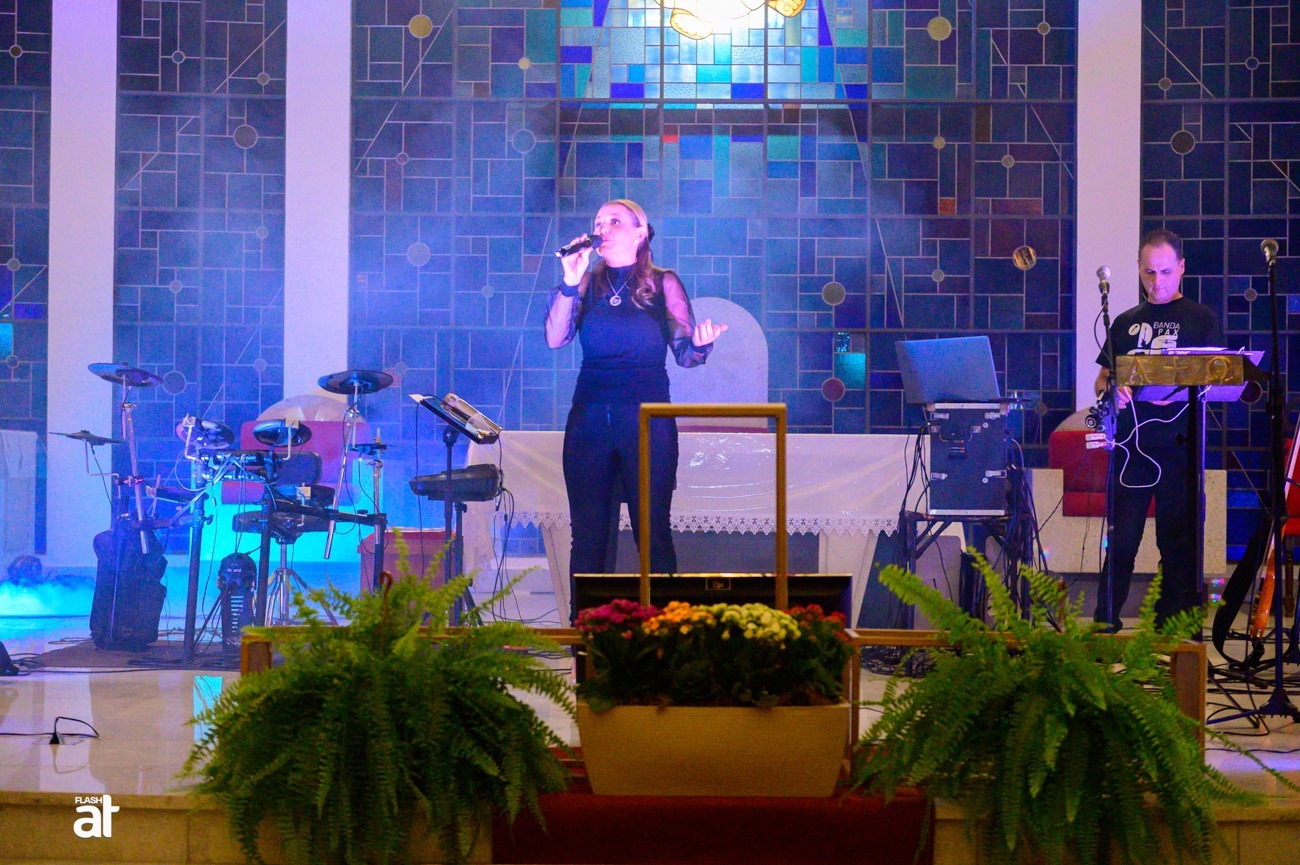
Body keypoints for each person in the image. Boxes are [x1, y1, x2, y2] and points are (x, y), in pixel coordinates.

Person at [545, 199, 727, 621]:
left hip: (646, 421)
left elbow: (686, 355)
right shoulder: (585, 283)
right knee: (588, 536)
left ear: (640, 232)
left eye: (614, 221)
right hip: (590, 417)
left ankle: (663, 630)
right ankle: (587, 634)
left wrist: (701, 344)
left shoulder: (662, 283)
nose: (603, 228)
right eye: (598, 222)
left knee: (652, 532)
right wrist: (570, 280)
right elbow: (555, 339)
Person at [1092, 228, 1223, 630]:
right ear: (1138, 268)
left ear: (1181, 268)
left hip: (1181, 446)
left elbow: (1218, 378)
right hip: (1132, 445)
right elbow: (1102, 379)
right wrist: (1112, 391)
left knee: (1177, 543)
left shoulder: (1201, 319)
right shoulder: (1125, 323)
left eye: (1165, 272)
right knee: (1122, 540)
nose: (1157, 281)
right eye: (1149, 272)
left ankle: (1170, 630)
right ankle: (1105, 624)